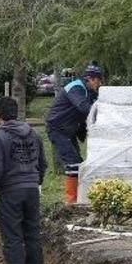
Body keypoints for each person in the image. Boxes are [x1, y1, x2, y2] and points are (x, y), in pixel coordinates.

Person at [0, 96, 48, 264]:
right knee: (32, 233)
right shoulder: (33, 134)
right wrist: (37, 182)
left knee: (12, 236)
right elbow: (42, 163)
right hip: (31, 190)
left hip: (11, 191)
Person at [45, 63, 103, 204]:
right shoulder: (76, 87)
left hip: (69, 130)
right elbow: (84, 107)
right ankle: (71, 202)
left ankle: (77, 199)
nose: (100, 84)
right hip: (58, 128)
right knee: (73, 163)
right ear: (90, 79)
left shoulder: (89, 91)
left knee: (78, 163)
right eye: (99, 81)